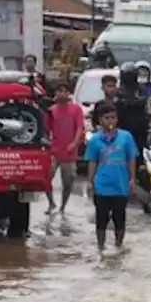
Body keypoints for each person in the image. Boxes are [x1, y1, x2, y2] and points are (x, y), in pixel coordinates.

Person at [84, 104, 138, 253]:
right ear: (100, 120)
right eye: (106, 118)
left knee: (119, 219)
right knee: (101, 219)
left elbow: (131, 159)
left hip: (120, 185)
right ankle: (100, 248)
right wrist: (90, 181)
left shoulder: (126, 137)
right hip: (101, 185)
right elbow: (92, 161)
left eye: (113, 117)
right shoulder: (95, 140)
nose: (110, 121)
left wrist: (133, 179)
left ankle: (118, 246)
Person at [46, 82, 85, 215]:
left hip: (69, 151)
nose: (62, 93)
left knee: (68, 182)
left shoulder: (76, 109)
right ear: (55, 93)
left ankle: (63, 206)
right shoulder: (51, 110)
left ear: (69, 93)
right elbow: (47, 129)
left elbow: (80, 127)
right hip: (54, 150)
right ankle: (51, 203)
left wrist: (74, 143)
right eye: (59, 90)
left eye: (65, 91)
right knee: (46, 178)